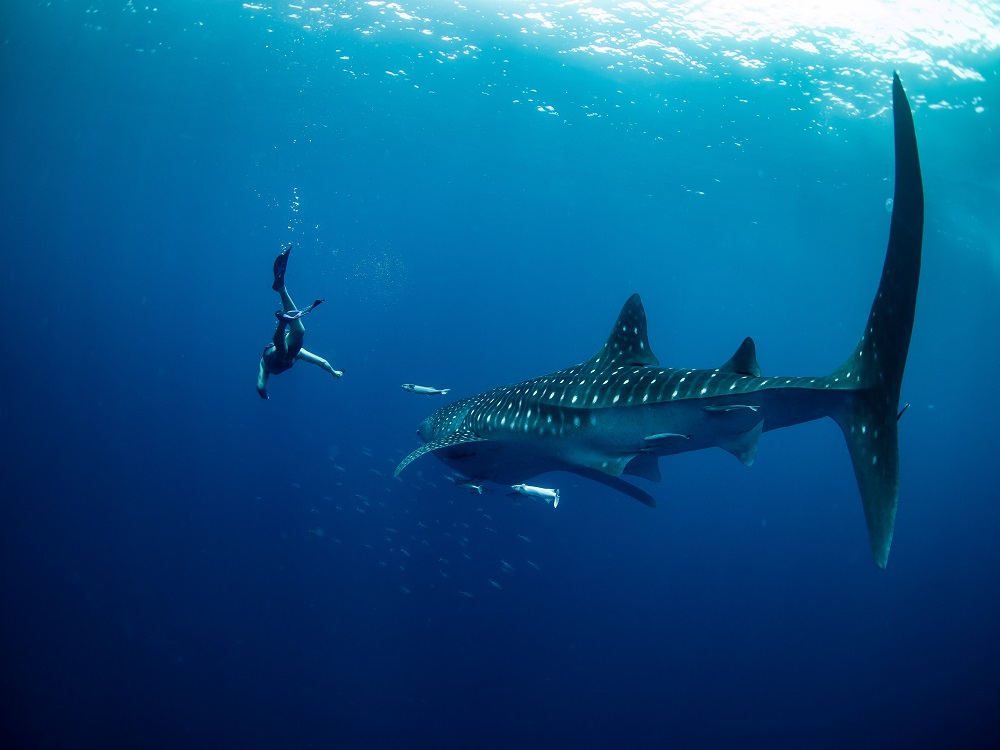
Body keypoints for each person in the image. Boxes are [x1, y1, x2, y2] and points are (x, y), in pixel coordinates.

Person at [257, 245, 343, 400]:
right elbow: (260, 385)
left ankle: (281, 292)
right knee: (285, 347)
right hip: (271, 353)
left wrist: (334, 372)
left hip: (276, 352)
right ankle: (283, 318)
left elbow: (260, 385)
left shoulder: (290, 355)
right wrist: (334, 372)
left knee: (297, 334)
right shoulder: (266, 363)